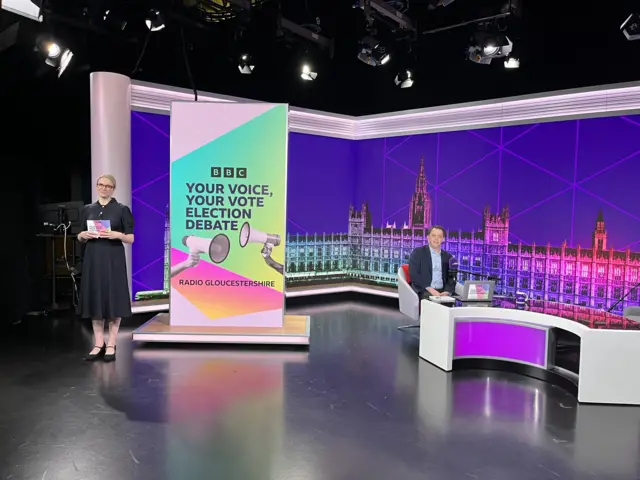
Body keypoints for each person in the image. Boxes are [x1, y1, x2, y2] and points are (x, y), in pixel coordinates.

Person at [78, 174, 134, 362]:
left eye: (108, 186)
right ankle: (98, 343)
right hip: (93, 259)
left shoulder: (122, 209)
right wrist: (82, 235)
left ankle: (112, 343)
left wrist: (116, 234)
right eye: (101, 185)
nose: (104, 188)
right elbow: (78, 236)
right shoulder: (87, 210)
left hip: (113, 259)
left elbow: (130, 238)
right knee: (95, 298)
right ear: (96, 186)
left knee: (113, 298)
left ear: (113, 189)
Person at [408, 225, 455, 300]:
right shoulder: (418, 253)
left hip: (443, 292)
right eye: (433, 236)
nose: (436, 239)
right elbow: (414, 275)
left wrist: (447, 291)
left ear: (443, 239)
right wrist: (430, 289)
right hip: (424, 290)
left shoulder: (449, 257)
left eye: (439, 236)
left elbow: (452, 278)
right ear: (428, 237)